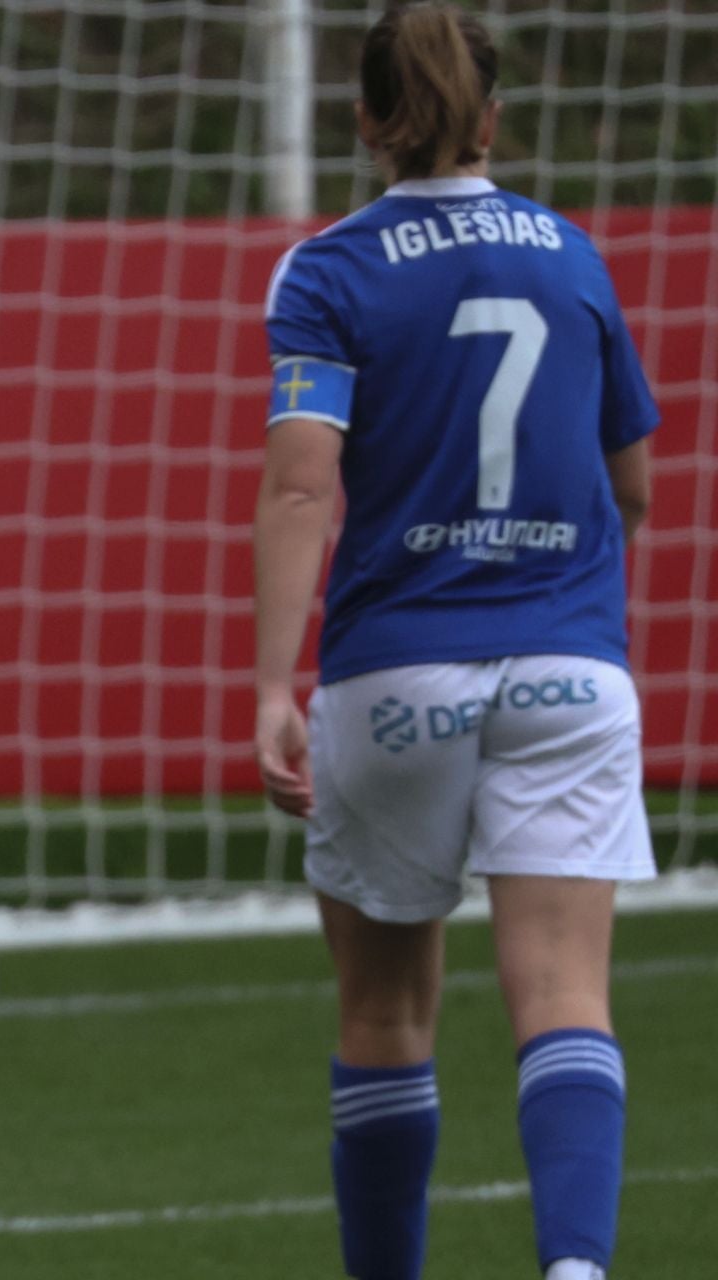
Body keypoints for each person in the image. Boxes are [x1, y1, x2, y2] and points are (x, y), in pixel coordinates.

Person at [251, 6, 656, 1279]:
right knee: (564, 993)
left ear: (366, 120)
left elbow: (304, 484)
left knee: (384, 1008)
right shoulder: (573, 256)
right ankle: (578, 1267)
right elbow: (631, 477)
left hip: (397, 674)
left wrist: (273, 680)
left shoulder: (328, 269)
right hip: (570, 664)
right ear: (492, 119)